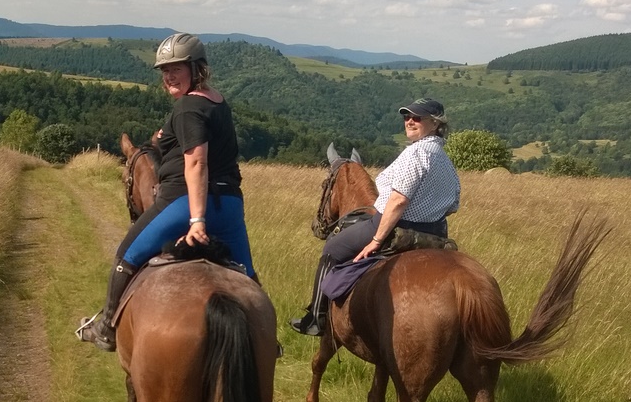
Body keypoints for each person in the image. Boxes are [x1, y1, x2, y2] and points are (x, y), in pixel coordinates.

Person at [76, 32, 256, 351]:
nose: (169, 76)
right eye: (165, 70)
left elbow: (197, 162)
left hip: (184, 204)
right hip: (229, 206)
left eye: (177, 68)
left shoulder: (188, 107)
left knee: (126, 255)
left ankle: (106, 329)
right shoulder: (216, 102)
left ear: (197, 69)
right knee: (248, 277)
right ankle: (263, 338)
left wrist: (197, 220)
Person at [290, 98, 461, 336]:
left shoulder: (417, 153)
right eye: (407, 117)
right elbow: (452, 205)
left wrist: (377, 240)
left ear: (435, 124)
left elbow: (399, 200)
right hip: (435, 233)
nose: (409, 121)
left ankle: (317, 319)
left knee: (332, 247)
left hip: (395, 226)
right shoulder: (445, 160)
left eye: (417, 117)